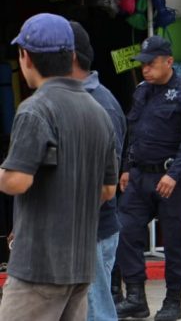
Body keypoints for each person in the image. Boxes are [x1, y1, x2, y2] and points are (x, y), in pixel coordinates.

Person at [0, 13, 118, 320]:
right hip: (80, 267)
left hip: (38, 267)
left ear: (25, 57)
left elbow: (16, 182)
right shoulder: (98, 110)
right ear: (71, 56)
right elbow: (108, 189)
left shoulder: (36, 108)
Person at [116, 35, 181, 321]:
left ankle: (173, 301)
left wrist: (174, 174)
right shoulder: (142, 91)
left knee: (175, 242)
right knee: (126, 231)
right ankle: (135, 298)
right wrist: (127, 168)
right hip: (140, 177)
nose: (145, 69)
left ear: (169, 61)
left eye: (151, 64)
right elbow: (133, 133)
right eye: (142, 64)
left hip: (171, 181)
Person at [70, 21, 128, 321]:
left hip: (92, 232)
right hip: (78, 232)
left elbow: (104, 182)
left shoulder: (100, 105)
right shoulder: (72, 100)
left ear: (68, 57)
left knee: (96, 313)